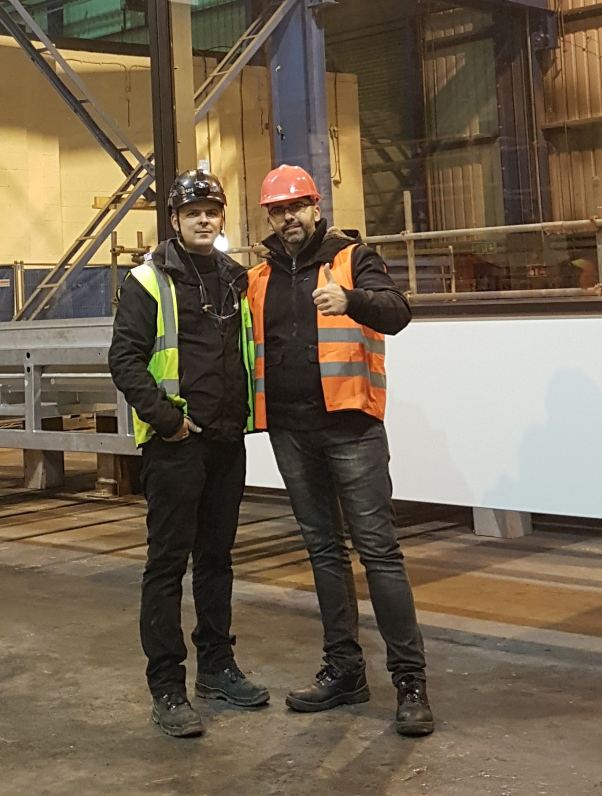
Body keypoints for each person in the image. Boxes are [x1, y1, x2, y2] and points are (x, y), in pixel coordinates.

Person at [245, 164, 434, 737]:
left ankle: (410, 683)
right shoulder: (258, 277)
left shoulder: (353, 258)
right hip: (291, 431)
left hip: (351, 427)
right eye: (278, 210)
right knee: (324, 552)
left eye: (296, 207)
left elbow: (398, 313)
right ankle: (345, 671)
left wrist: (350, 299)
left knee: (378, 552)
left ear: (316, 207)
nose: (288, 218)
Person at [108, 169, 270, 738]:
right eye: (193, 212)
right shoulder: (147, 282)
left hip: (226, 441)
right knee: (167, 564)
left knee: (217, 560)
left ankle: (217, 668)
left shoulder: (234, 279)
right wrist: (168, 420)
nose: (204, 219)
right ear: (175, 220)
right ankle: (167, 687)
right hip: (176, 446)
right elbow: (124, 360)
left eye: (212, 211)